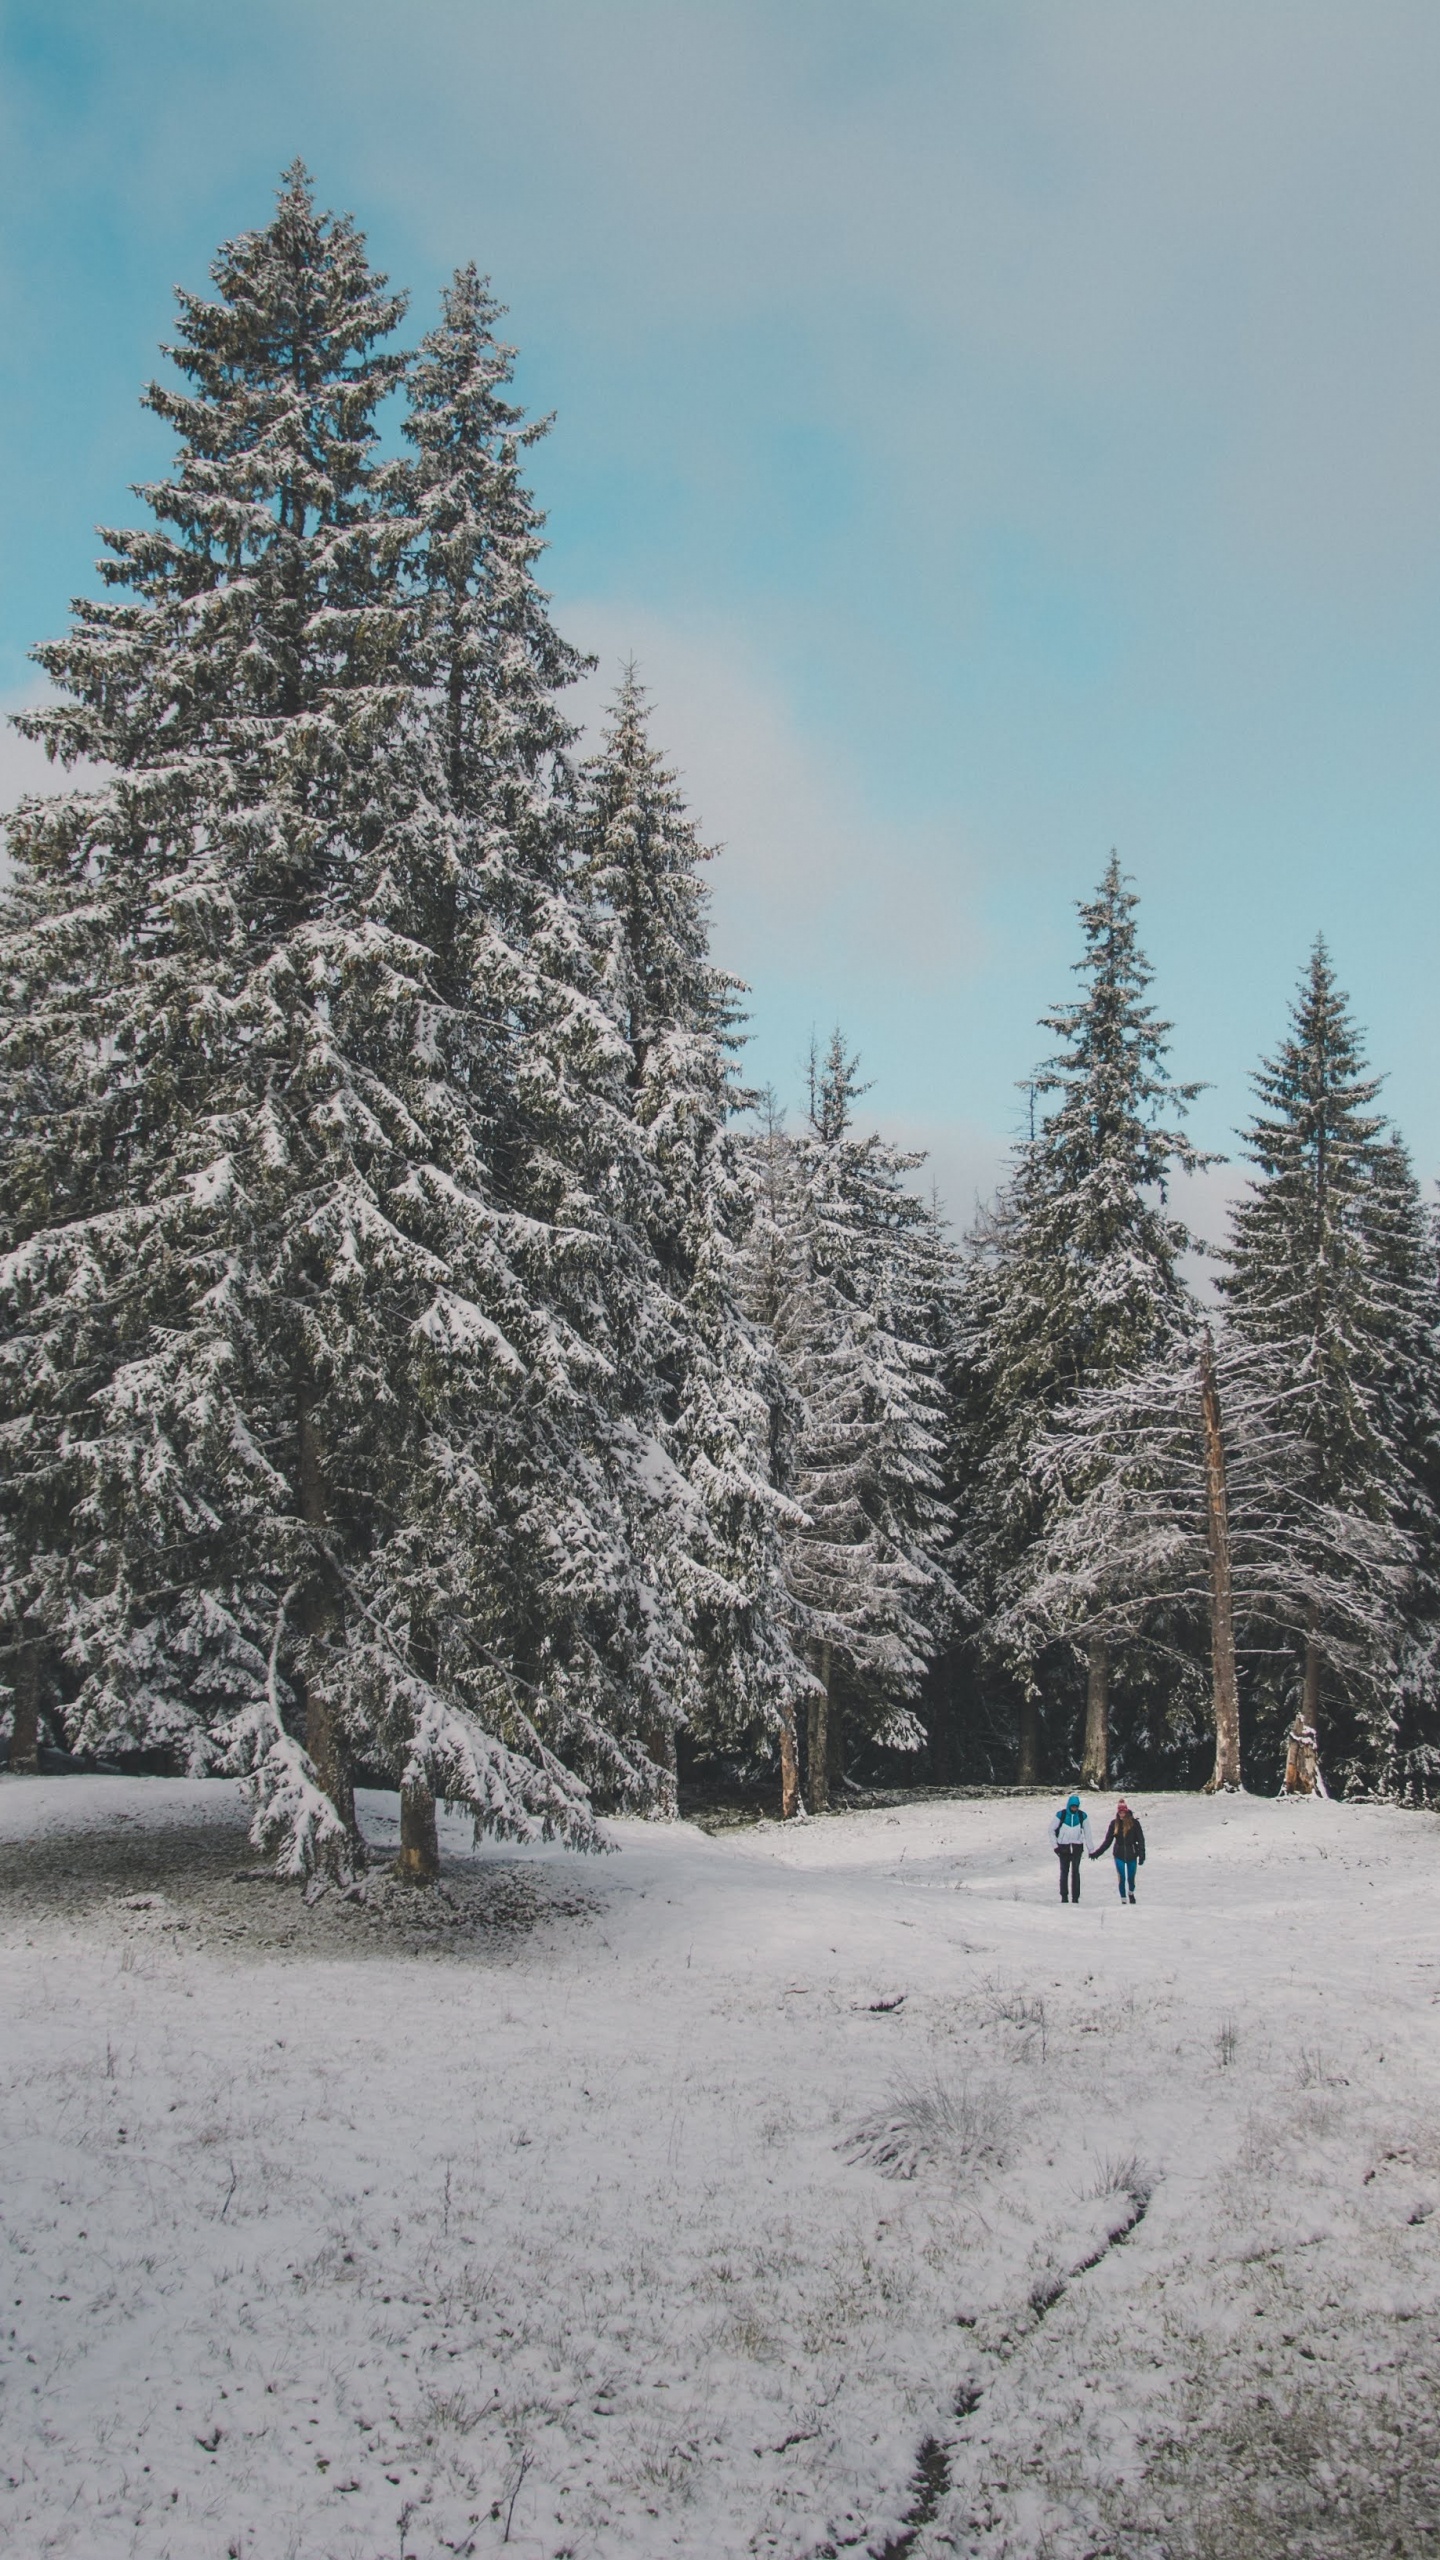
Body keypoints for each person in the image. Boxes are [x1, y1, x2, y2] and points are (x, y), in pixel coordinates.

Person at [1093, 1800, 1146, 1902]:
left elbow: (1140, 1839)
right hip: (1119, 1854)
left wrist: (1142, 1854)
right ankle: (1123, 1899)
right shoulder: (1114, 1824)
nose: (1121, 1814)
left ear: (1126, 1812)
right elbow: (1108, 1841)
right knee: (1122, 1877)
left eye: (1123, 1812)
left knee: (1131, 1877)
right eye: (1120, 1812)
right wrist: (1098, 1853)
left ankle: (1131, 1892)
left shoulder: (1134, 1823)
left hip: (1132, 1853)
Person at [1049, 1792, 1093, 1902]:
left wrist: (1091, 1849)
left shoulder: (1082, 1816)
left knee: (1075, 1872)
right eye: (1072, 1806)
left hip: (1077, 1846)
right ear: (1069, 1805)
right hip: (1063, 1847)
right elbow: (1051, 1830)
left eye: (1076, 1806)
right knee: (1064, 1872)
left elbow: (1088, 1833)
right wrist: (1055, 1846)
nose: (1074, 1808)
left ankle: (1075, 1897)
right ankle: (1064, 1896)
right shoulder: (1061, 1815)